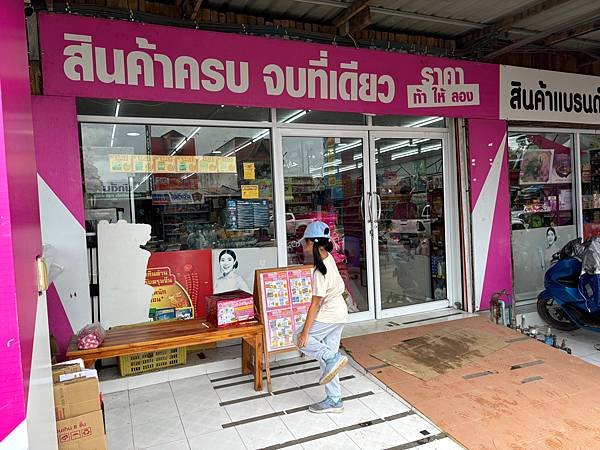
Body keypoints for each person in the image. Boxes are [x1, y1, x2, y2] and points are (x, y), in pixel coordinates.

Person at [293, 221, 349, 414]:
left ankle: (331, 357)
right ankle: (334, 399)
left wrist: (304, 334)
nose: (303, 246)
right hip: (340, 314)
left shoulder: (319, 271)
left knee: (298, 338)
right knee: (329, 365)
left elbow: (315, 305)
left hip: (329, 314)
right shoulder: (329, 259)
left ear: (312, 243)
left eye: (305, 242)